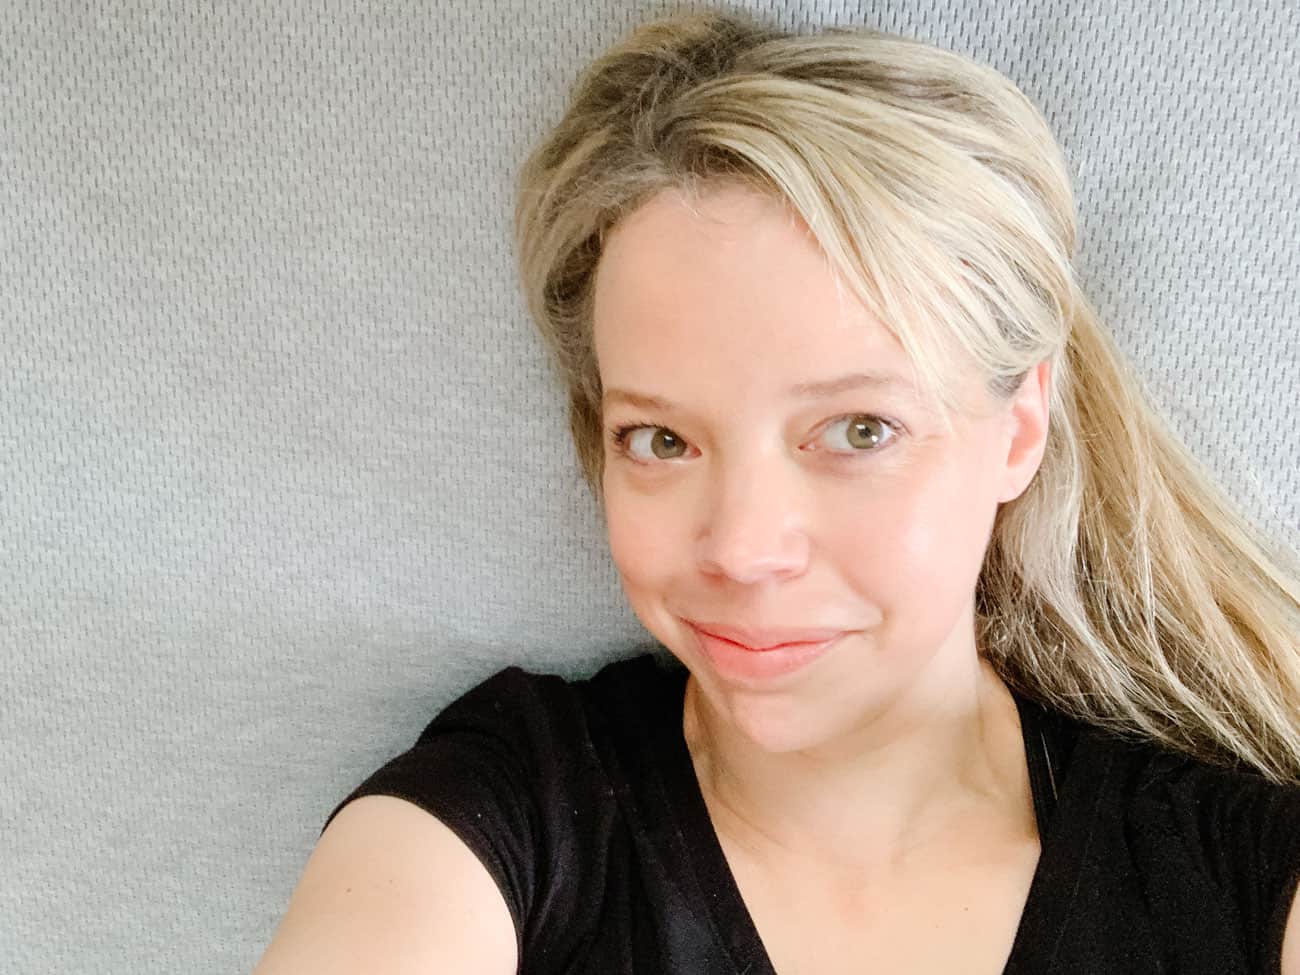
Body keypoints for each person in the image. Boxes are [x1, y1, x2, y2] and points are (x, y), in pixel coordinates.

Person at [253, 11, 1300, 974]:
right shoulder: (499, 830)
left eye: (858, 431)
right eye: (661, 439)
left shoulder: (1243, 877)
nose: (743, 549)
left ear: (1018, 430)